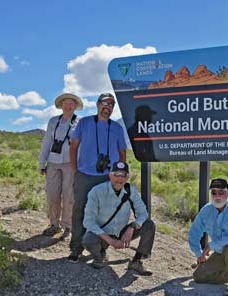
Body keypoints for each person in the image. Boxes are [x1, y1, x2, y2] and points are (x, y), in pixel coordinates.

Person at [68, 93, 127, 263]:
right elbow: (74, 146)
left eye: (111, 105)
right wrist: (75, 169)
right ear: (97, 104)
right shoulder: (85, 123)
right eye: (104, 103)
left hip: (108, 177)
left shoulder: (116, 128)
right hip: (85, 175)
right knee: (79, 210)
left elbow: (122, 152)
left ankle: (101, 249)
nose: (107, 107)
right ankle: (76, 247)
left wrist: (120, 176)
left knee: (105, 213)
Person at [82, 162, 155, 275]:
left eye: (123, 175)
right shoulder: (96, 191)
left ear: (127, 177)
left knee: (149, 225)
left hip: (122, 232)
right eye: (116, 174)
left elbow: (143, 213)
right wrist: (110, 240)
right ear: (110, 175)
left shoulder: (131, 191)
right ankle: (99, 256)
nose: (119, 178)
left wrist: (132, 227)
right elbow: (88, 221)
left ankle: (136, 261)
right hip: (103, 233)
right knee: (88, 239)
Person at [188, 178, 228, 296]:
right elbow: (194, 233)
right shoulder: (206, 210)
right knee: (199, 276)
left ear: (227, 194)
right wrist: (199, 254)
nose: (217, 196)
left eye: (221, 192)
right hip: (220, 252)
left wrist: (210, 246)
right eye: (214, 192)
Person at [39, 93, 83, 237]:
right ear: (61, 105)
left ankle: (67, 226)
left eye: (72, 104)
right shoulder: (53, 121)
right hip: (53, 162)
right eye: (66, 103)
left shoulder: (80, 123)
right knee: (52, 194)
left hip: (71, 163)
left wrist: (80, 165)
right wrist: (42, 162)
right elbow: (47, 143)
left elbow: (82, 145)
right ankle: (54, 224)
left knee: (69, 196)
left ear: (75, 107)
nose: (68, 106)